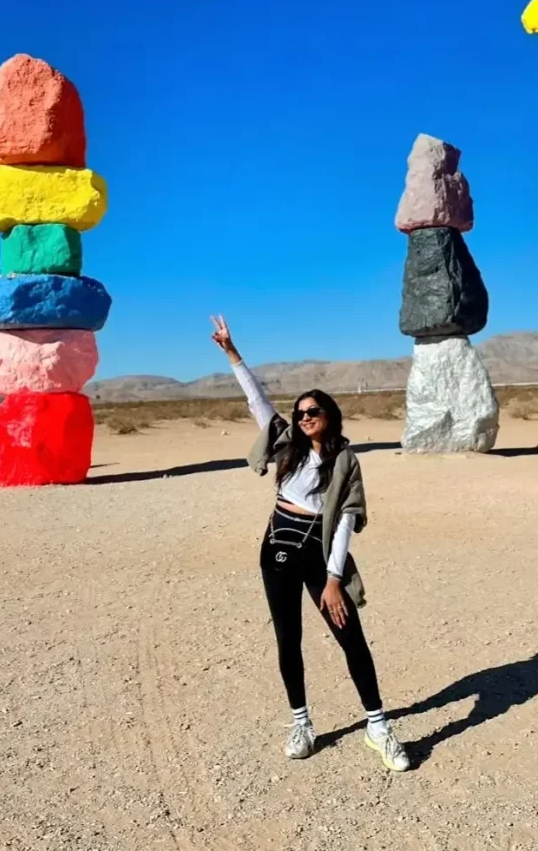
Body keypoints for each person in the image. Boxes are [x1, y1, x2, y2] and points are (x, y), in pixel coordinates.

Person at [210, 315, 410, 772]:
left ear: (329, 416)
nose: (303, 419)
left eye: (311, 413)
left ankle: (377, 726)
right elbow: (256, 400)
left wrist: (335, 578)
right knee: (289, 639)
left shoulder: (345, 461)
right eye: (299, 414)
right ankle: (301, 722)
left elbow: (344, 521)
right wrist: (232, 353)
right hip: (278, 549)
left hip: (320, 556)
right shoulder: (285, 444)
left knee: (351, 637)